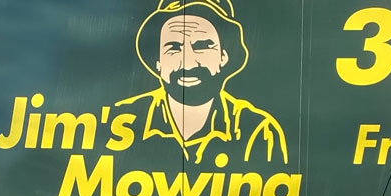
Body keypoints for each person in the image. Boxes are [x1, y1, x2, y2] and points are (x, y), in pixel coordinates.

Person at [115, 0, 288, 164]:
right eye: (173, 48)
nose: (188, 63)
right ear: (157, 61)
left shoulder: (257, 130)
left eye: (202, 46)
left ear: (224, 57)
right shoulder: (122, 121)